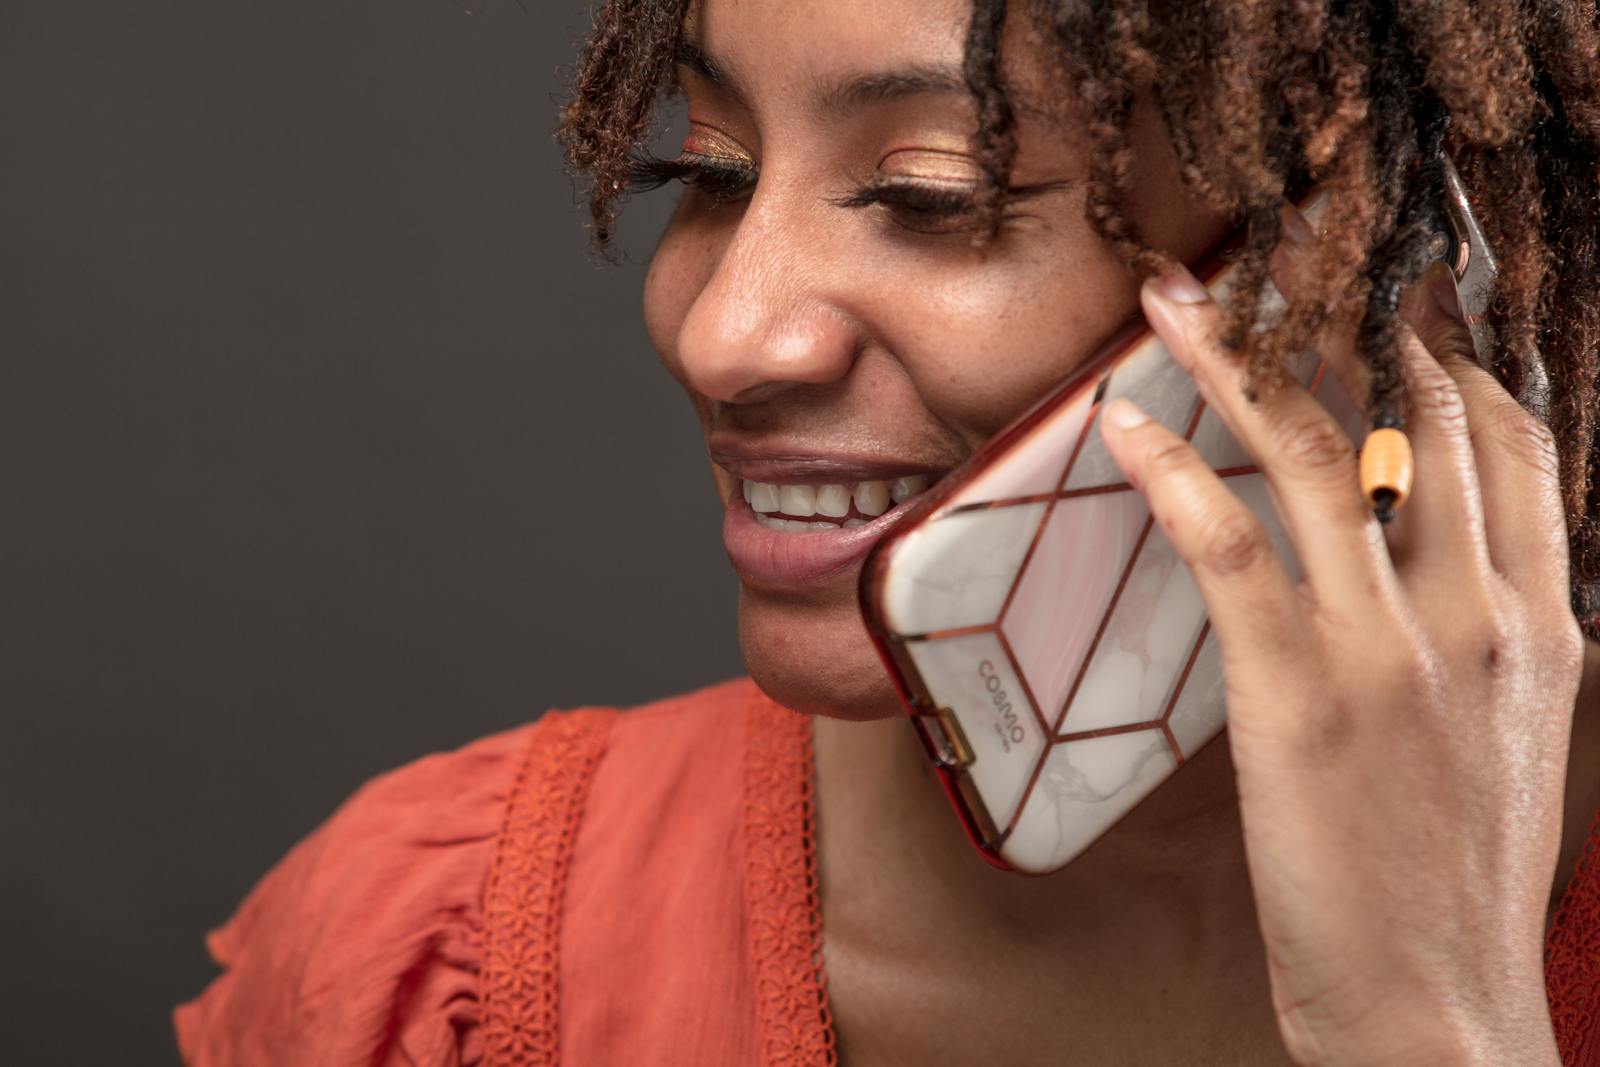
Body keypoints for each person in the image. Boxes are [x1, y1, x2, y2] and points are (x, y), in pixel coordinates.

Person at [175, 0, 1600, 1063]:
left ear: (1393, 263)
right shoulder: (443, 964)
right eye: (711, 173)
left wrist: (1436, 1022)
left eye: (934, 199)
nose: (726, 335)